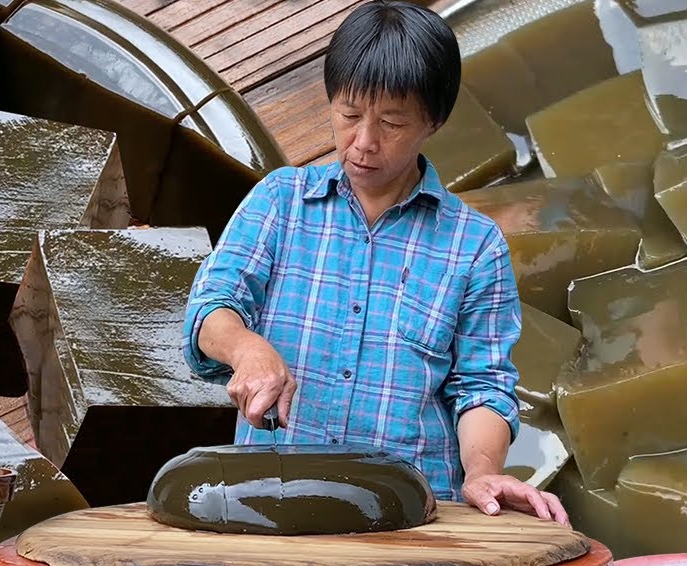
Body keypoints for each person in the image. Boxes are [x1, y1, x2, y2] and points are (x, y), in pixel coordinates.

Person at [180, 0, 568, 526]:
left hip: (411, 516)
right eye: (348, 115)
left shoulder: (475, 246)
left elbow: (482, 387)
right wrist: (247, 349)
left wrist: (480, 471)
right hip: (271, 509)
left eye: (391, 123)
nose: (363, 142)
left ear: (433, 121)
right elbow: (211, 308)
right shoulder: (279, 201)